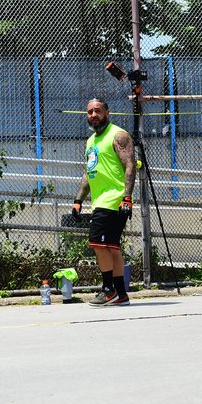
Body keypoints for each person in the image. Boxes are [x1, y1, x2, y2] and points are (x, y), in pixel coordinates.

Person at [73, 98, 137, 307]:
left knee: (98, 243)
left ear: (107, 113)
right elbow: (89, 172)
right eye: (90, 111)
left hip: (114, 199)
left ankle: (108, 290)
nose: (93, 115)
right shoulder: (91, 141)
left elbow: (130, 166)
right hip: (99, 201)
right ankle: (120, 293)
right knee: (111, 247)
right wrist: (78, 200)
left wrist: (127, 198)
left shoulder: (118, 135)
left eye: (97, 111)